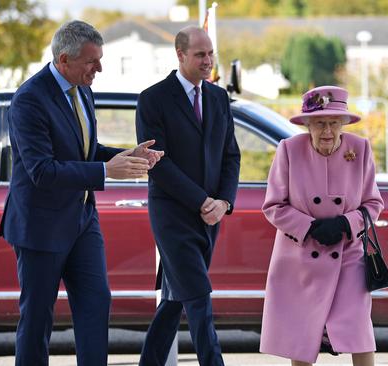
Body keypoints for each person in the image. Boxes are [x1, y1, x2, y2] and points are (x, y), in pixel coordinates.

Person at [0, 20, 163, 366]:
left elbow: (84, 150)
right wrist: (106, 171)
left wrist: (125, 156)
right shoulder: (28, 100)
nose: (99, 68)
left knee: (95, 304)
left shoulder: (82, 88)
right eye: (92, 61)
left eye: (100, 59)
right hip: (39, 226)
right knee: (38, 319)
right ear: (63, 60)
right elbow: (42, 171)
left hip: (83, 221)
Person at [135, 26, 241, 366]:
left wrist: (223, 202)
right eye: (200, 55)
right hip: (172, 215)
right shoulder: (153, 99)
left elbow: (231, 156)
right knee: (198, 295)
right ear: (180, 55)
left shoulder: (218, 97)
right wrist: (202, 201)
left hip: (210, 216)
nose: (208, 61)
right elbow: (158, 165)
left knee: (175, 301)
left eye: (210, 54)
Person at [260, 85, 385, 366]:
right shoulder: (289, 150)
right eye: (319, 123)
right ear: (307, 125)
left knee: (358, 329)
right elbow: (273, 206)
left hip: (349, 255)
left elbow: (373, 204)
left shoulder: (360, 149)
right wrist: (309, 227)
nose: (327, 131)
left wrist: (345, 223)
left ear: (343, 124)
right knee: (301, 336)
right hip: (301, 258)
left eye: (333, 123)